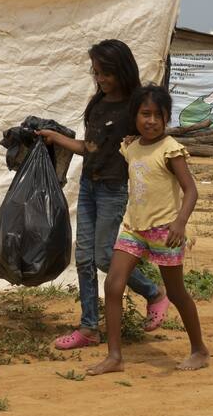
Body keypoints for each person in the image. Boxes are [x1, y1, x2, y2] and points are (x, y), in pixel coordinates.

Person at [36, 40, 169, 349]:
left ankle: (154, 294)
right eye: (96, 73)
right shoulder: (97, 104)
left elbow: (152, 139)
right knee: (83, 258)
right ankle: (89, 328)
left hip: (114, 188)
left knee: (105, 256)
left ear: (121, 70)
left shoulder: (136, 107)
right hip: (90, 186)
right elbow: (89, 148)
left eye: (105, 73)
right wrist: (56, 138)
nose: (100, 79)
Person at [88, 84, 209, 374]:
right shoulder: (130, 147)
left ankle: (199, 350)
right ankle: (114, 356)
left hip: (165, 232)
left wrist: (180, 222)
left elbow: (190, 191)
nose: (151, 120)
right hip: (134, 228)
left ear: (167, 117)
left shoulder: (171, 149)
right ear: (135, 116)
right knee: (113, 285)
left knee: (177, 293)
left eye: (158, 115)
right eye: (145, 114)